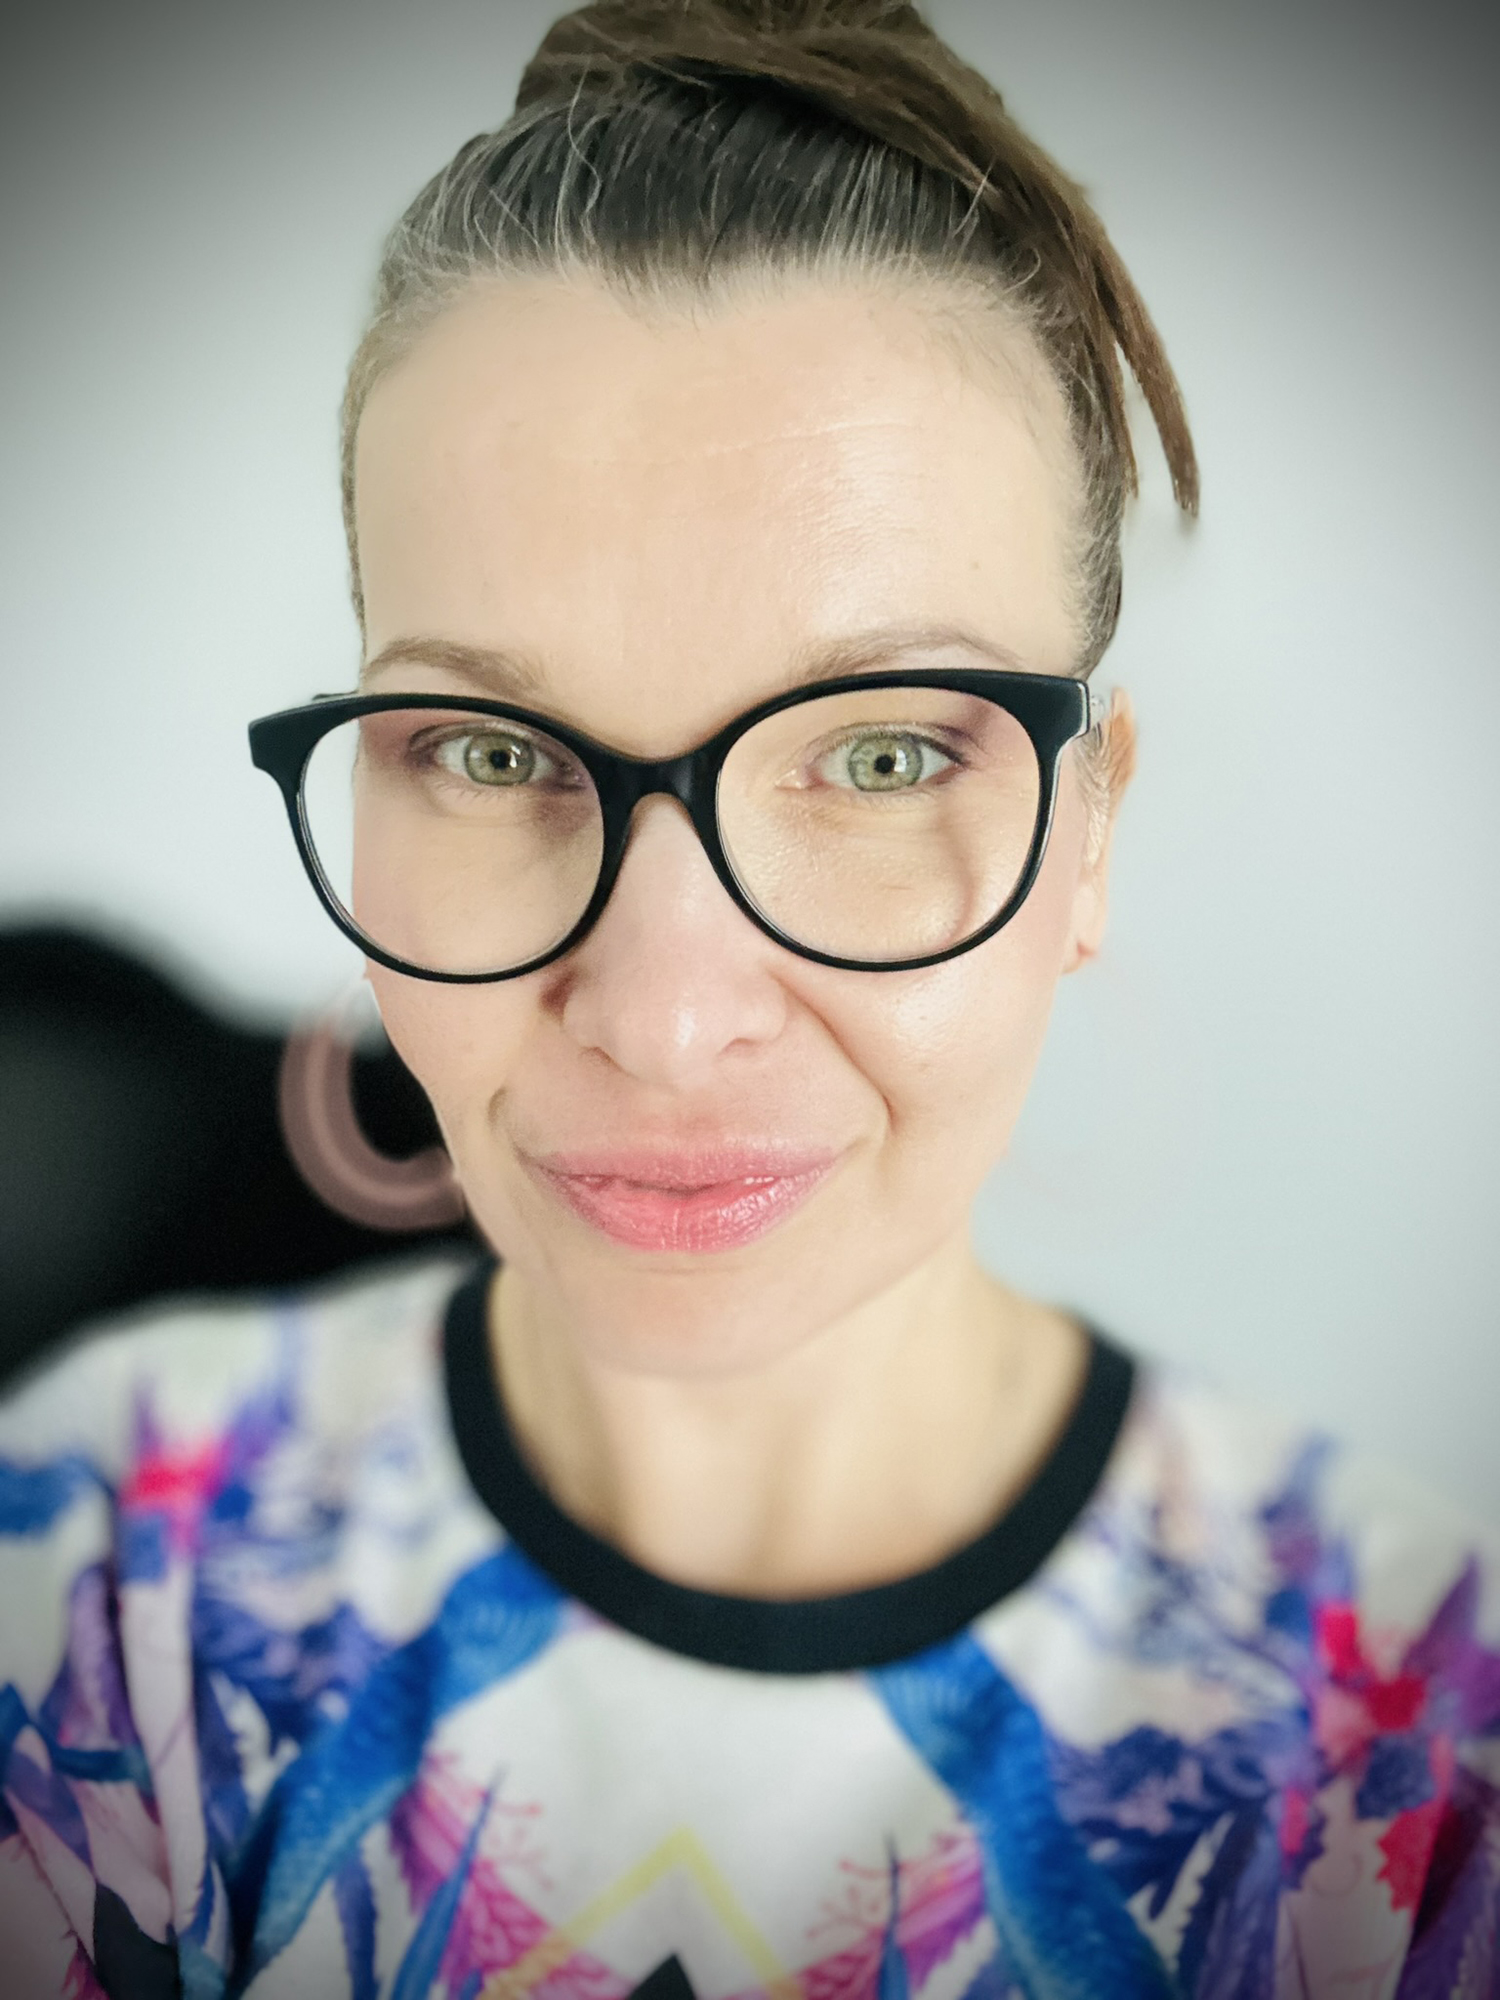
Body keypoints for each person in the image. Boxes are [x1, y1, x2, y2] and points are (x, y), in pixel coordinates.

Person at [1, 3, 1496, 1995]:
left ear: (1091, 831)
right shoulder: (96, 1576)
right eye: (491, 752)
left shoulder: (1419, 1734)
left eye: (877, 757)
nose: (664, 1013)